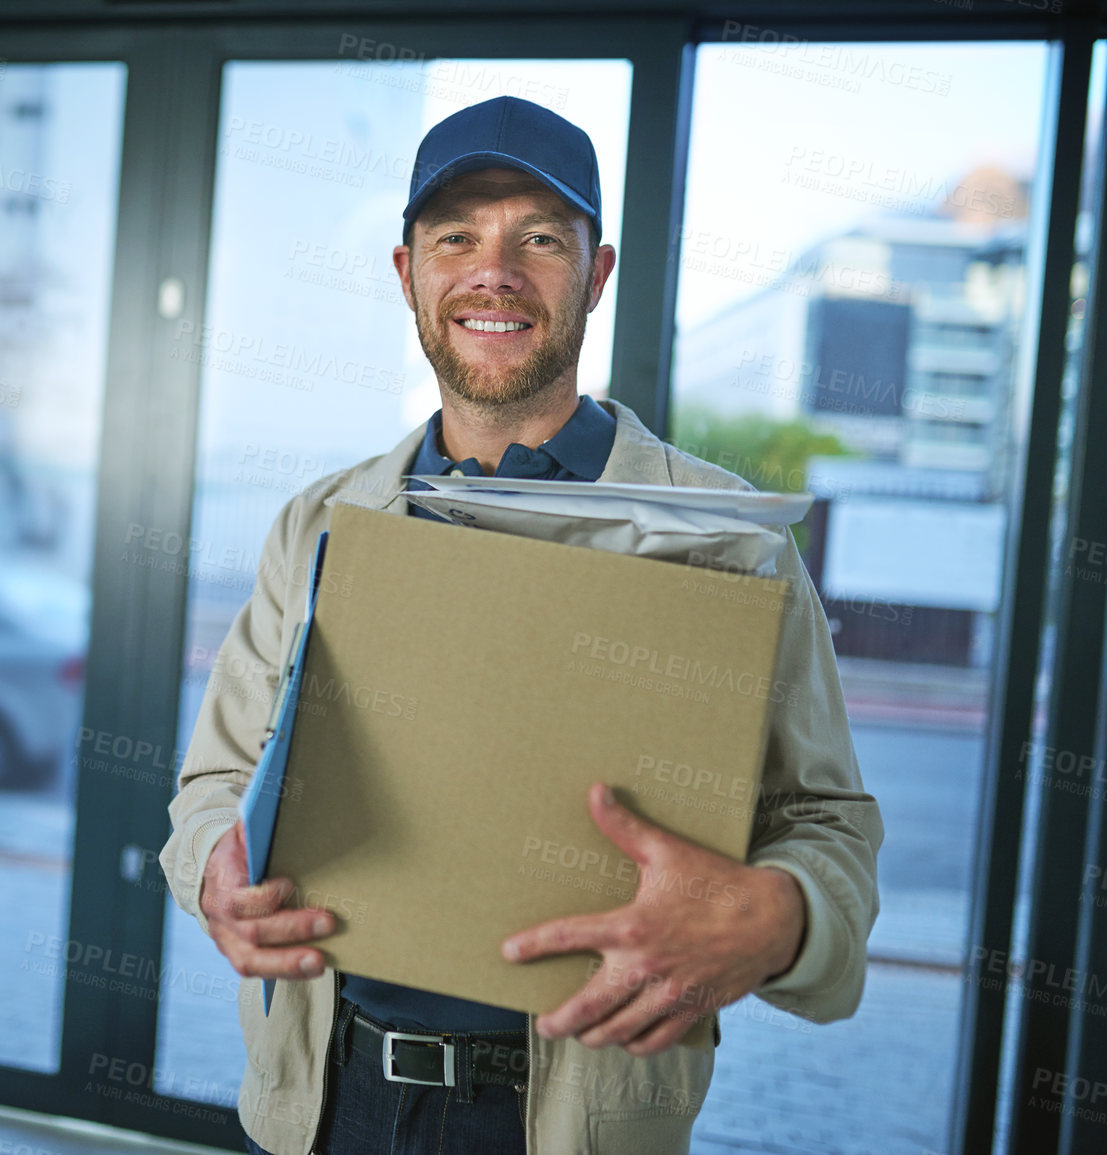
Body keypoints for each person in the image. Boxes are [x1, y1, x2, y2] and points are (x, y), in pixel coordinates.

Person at [159, 95, 883, 1155]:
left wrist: (781, 917)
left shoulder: (729, 540)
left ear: (598, 275)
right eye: (457, 237)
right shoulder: (320, 523)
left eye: (539, 239)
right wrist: (213, 871)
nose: (492, 273)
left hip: (571, 1122)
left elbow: (829, 823)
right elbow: (211, 788)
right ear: (408, 275)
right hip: (329, 1098)